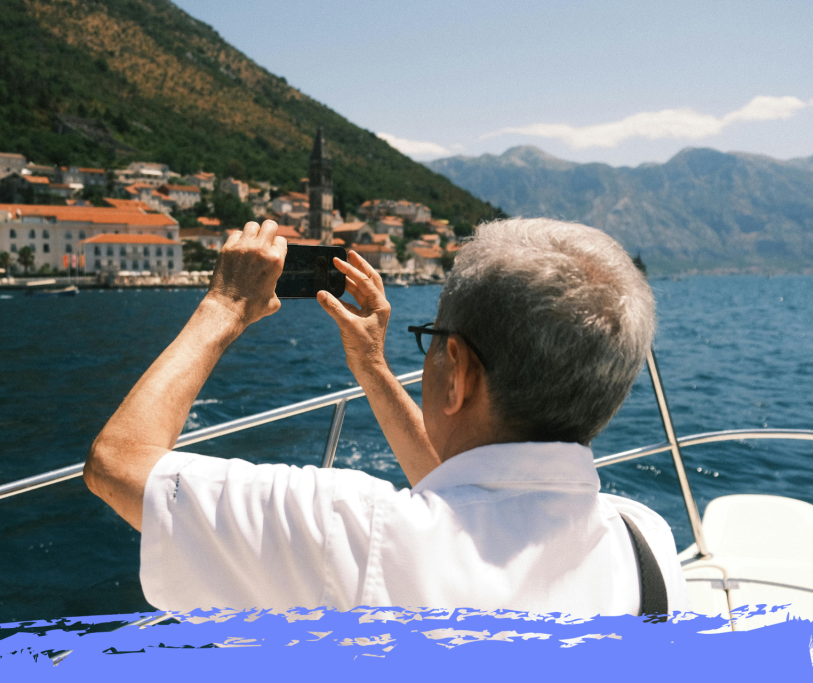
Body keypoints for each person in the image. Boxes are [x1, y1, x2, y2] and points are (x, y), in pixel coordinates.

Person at [83, 217, 689, 616]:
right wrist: (372, 367)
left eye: (433, 340)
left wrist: (225, 304)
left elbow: (119, 463)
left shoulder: (351, 533)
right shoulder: (645, 544)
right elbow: (470, 494)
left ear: (458, 370)